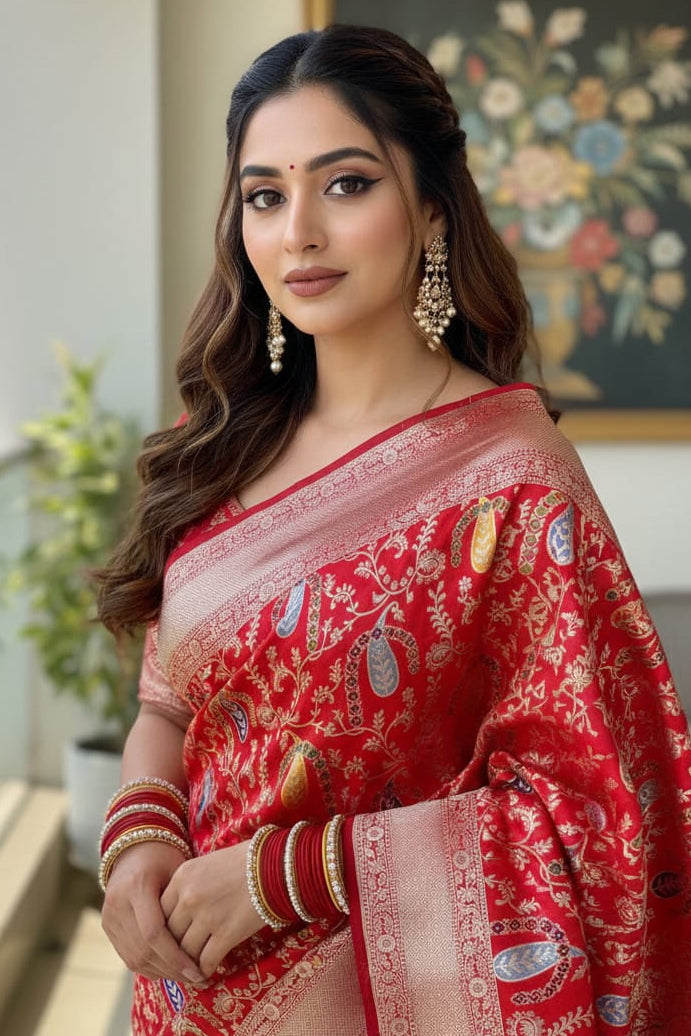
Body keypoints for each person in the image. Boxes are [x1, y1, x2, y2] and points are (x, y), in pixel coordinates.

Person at [97, 23, 691, 1036]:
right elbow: (170, 703)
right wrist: (138, 836)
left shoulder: (512, 483)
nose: (299, 234)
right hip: (182, 998)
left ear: (428, 209)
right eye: (265, 195)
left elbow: (595, 818)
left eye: (346, 183)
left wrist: (286, 873)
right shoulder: (225, 442)